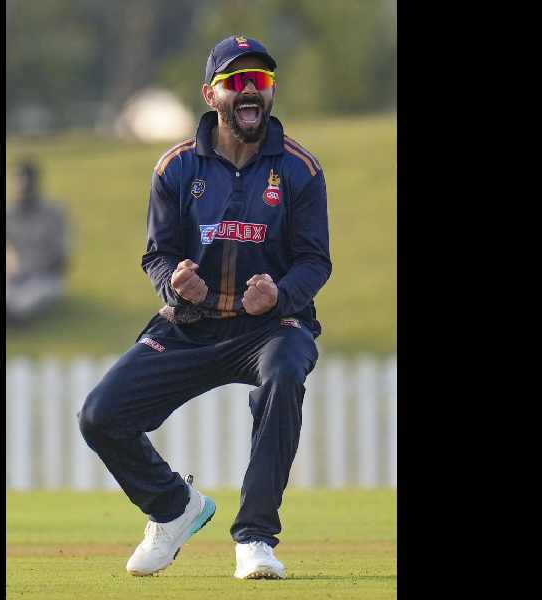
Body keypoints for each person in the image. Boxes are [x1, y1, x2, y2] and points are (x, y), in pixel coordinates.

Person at [78, 34, 331, 580]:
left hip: (269, 328)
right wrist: (175, 282)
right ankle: (174, 509)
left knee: (284, 373)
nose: (249, 92)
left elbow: (316, 262)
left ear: (271, 93)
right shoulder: (175, 169)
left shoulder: (299, 170)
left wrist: (281, 294)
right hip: (191, 326)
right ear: (210, 95)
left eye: (259, 82)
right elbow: (157, 255)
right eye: (236, 82)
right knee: (100, 416)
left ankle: (255, 539)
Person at [6, 160, 69, 323]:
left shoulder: (53, 214)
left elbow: (61, 260)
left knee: (24, 303)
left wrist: (32, 270)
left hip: (43, 278)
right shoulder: (9, 214)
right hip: (14, 278)